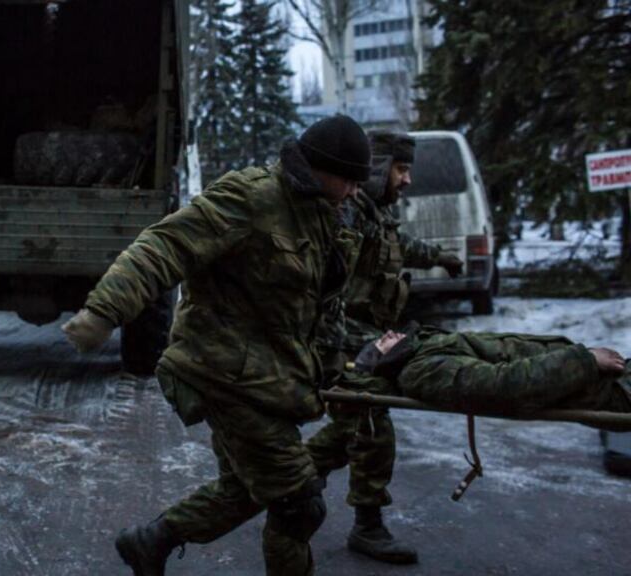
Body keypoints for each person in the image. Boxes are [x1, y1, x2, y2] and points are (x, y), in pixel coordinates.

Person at [63, 115, 371, 576]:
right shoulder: (251, 196)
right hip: (222, 374)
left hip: (271, 380)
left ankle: (152, 542)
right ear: (318, 167)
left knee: (247, 488)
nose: (352, 191)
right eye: (346, 179)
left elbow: (321, 307)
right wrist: (105, 311)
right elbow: (165, 245)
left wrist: (336, 366)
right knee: (298, 503)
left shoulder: (325, 218)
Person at [304, 131, 464, 564]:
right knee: (372, 420)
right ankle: (367, 526)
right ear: (378, 169)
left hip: (367, 338)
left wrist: (439, 256)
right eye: (401, 168)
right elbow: (323, 285)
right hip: (340, 342)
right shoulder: (347, 213)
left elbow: (398, 249)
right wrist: (341, 350)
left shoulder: (374, 214)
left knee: (353, 426)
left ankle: (298, 473)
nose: (407, 180)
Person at [342, 326, 631, 428]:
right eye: (379, 346)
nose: (388, 334)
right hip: (615, 391)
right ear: (383, 364)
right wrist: (586, 360)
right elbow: (506, 386)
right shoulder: (422, 371)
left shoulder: (423, 348)